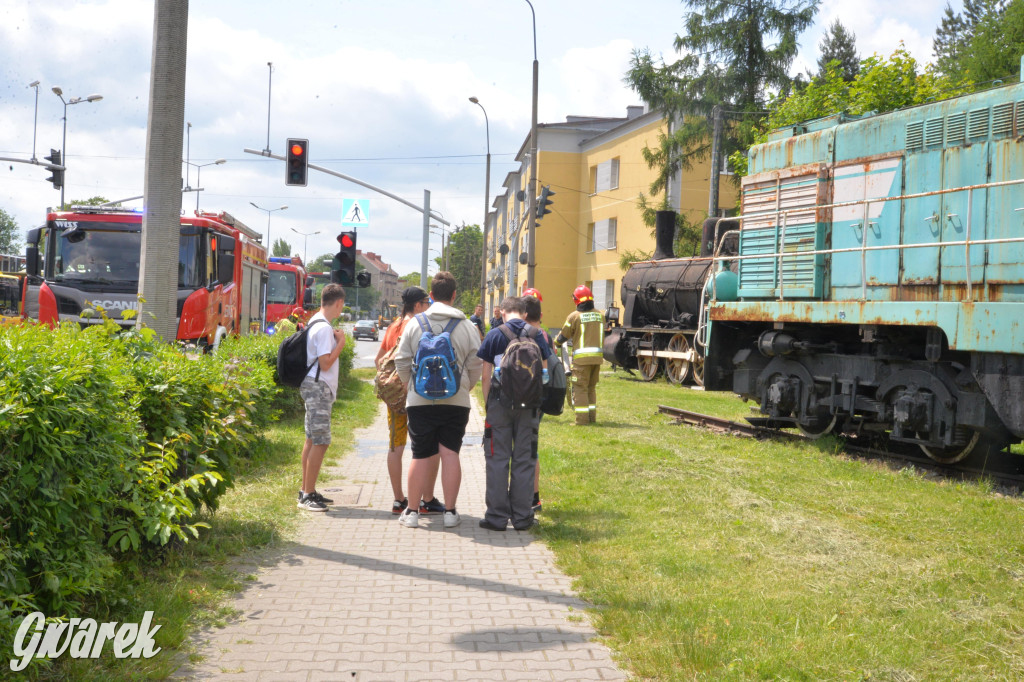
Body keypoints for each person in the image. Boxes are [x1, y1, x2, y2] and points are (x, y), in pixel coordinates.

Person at [393, 271, 482, 529]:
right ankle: (451, 513)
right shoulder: (467, 326)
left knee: (420, 455)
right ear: (454, 295)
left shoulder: (414, 323)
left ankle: (411, 513)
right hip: (456, 400)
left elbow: (401, 359)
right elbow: (476, 363)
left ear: (430, 296)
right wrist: (465, 386)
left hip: (419, 401)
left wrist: (412, 385)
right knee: (450, 452)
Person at [477, 296, 552, 531]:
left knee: (498, 459)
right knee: (524, 459)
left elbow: (486, 376)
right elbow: (545, 373)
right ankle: (522, 517)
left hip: (501, 403)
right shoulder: (537, 334)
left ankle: (497, 518)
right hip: (529, 406)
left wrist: (489, 405)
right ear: (524, 313)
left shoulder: (495, 334)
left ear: (503, 311)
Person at [374, 286, 444, 516]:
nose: (429, 307)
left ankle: (398, 500)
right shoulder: (419, 326)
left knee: (396, 444)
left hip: (395, 398)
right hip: (417, 395)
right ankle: (426, 500)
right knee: (427, 446)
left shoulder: (394, 325)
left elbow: (379, 360)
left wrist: (393, 385)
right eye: (426, 303)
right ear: (417, 306)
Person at [297, 284, 348, 512]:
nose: (342, 308)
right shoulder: (325, 329)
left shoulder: (314, 321)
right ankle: (308, 495)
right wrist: (341, 344)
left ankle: (307, 489)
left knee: (311, 438)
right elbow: (326, 362)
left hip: (311, 384)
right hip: (318, 386)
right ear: (337, 302)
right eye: (342, 304)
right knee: (321, 440)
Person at [554, 285, 606, 426]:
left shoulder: (574, 316)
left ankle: (582, 421)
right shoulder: (600, 315)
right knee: (590, 388)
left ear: (577, 300)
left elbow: (563, 336)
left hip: (581, 361)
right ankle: (591, 418)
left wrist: (556, 343)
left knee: (580, 388)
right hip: (597, 360)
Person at [522, 291, 548, 513]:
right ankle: (534, 497)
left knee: (517, 448)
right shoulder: (542, 335)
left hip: (516, 399)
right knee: (531, 448)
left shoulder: (518, 332)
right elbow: (546, 370)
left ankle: (520, 495)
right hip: (535, 399)